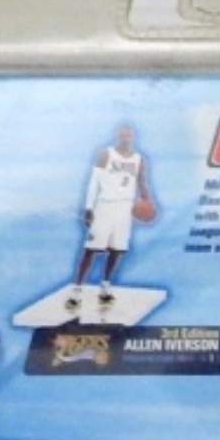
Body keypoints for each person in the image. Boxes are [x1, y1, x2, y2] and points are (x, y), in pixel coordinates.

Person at [68, 124, 154, 311]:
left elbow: (141, 183)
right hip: (105, 205)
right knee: (91, 249)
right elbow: (94, 182)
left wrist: (148, 202)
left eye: (129, 135)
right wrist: (89, 207)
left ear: (133, 137)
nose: (126, 138)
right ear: (117, 136)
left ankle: (105, 287)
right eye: (122, 134)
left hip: (125, 208)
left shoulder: (139, 159)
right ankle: (77, 290)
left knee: (117, 250)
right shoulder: (105, 154)